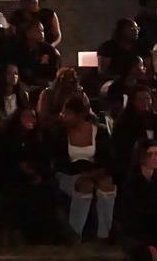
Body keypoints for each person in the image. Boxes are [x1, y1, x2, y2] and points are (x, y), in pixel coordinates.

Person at [50, 98, 116, 241]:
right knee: (85, 185)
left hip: (94, 173)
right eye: (63, 113)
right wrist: (82, 176)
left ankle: (104, 235)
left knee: (108, 184)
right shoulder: (59, 133)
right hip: (68, 175)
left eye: (68, 114)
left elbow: (108, 161)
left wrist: (92, 174)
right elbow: (58, 163)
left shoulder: (100, 132)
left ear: (80, 115)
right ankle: (75, 234)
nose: (64, 117)